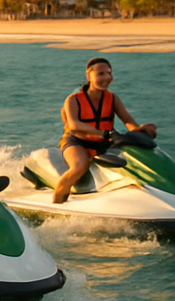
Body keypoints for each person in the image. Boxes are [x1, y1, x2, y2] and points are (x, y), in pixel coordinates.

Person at [51, 56, 157, 203]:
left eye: (109, 73)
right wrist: (103, 133)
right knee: (79, 166)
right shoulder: (73, 100)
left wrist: (140, 130)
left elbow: (127, 121)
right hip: (77, 142)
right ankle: (57, 203)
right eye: (101, 74)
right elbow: (74, 125)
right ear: (89, 76)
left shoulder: (113, 99)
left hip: (104, 142)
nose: (107, 77)